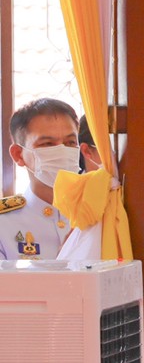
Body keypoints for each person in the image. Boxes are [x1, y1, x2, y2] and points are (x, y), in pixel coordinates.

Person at [2, 98, 81, 260]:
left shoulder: (97, 215)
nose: (62, 151)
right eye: (47, 144)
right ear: (18, 154)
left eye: (70, 142)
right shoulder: (4, 224)